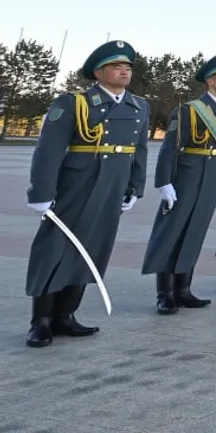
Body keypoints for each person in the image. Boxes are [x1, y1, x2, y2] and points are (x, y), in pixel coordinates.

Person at [25, 41, 150, 348]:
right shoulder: (74, 103)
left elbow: (139, 150)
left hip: (113, 185)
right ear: (98, 72)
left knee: (92, 247)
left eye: (128, 67)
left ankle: (66, 315)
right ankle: (40, 321)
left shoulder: (139, 106)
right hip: (78, 185)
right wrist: (41, 192)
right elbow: (49, 150)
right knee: (54, 248)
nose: (124, 72)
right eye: (117, 66)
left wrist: (136, 186)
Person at [143, 52, 216, 316]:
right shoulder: (189, 110)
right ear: (210, 81)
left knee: (195, 233)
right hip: (187, 177)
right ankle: (165, 293)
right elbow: (170, 148)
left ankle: (184, 289)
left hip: (213, 179)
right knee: (172, 232)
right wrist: (164, 182)